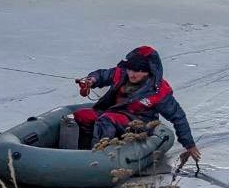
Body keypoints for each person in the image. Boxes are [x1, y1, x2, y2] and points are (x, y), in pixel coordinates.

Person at [73, 45, 201, 164]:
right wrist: (90, 81)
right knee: (83, 115)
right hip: (113, 112)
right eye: (130, 69)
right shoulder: (121, 74)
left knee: (108, 120)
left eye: (139, 71)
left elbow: (177, 116)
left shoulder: (158, 90)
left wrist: (189, 144)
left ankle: (97, 157)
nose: (133, 74)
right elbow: (102, 75)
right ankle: (82, 151)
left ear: (148, 71)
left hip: (139, 122)